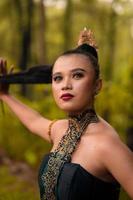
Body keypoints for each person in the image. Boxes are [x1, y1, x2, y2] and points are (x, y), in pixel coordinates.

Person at [0, 28, 133, 200]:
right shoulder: (61, 129)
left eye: (77, 75)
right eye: (58, 78)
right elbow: (34, 121)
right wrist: (5, 95)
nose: (65, 85)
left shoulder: (107, 145)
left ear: (97, 85)